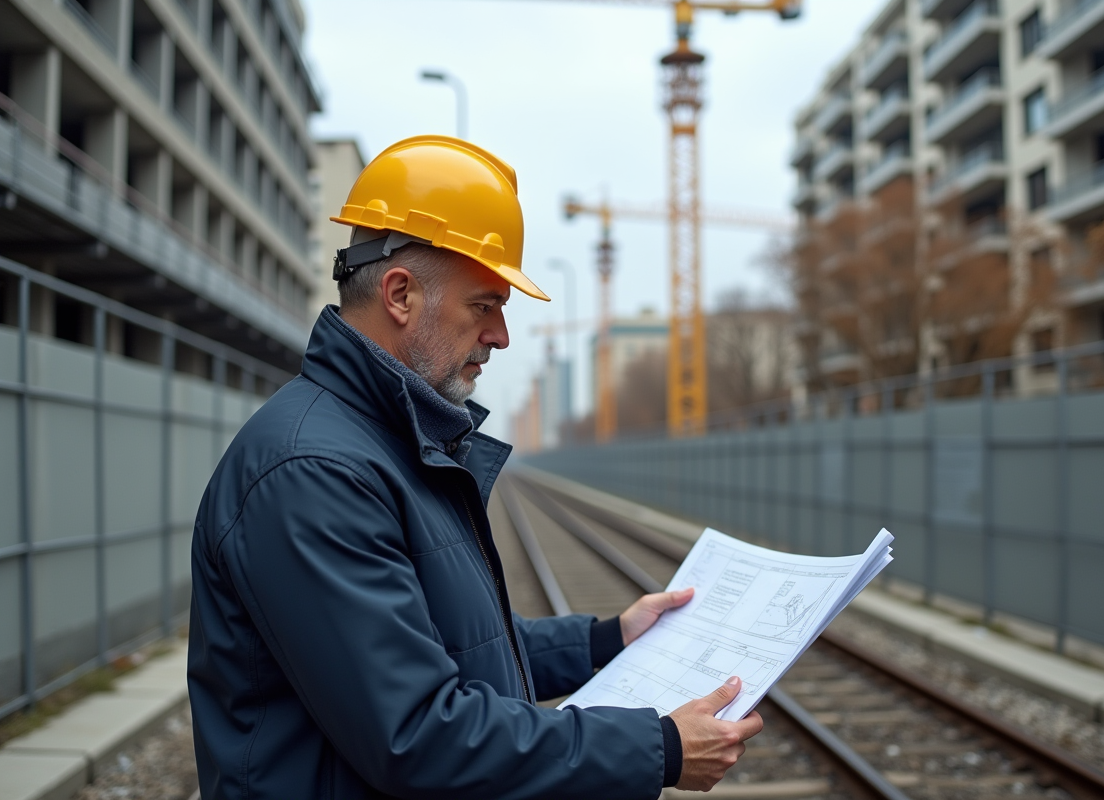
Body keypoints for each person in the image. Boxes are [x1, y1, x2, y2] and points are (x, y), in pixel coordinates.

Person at [187, 136, 762, 799]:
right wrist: (658, 748)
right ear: (401, 294)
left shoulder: (386, 446)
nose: (501, 336)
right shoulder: (312, 472)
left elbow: (447, 645)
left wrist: (606, 642)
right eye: (484, 306)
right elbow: (417, 736)